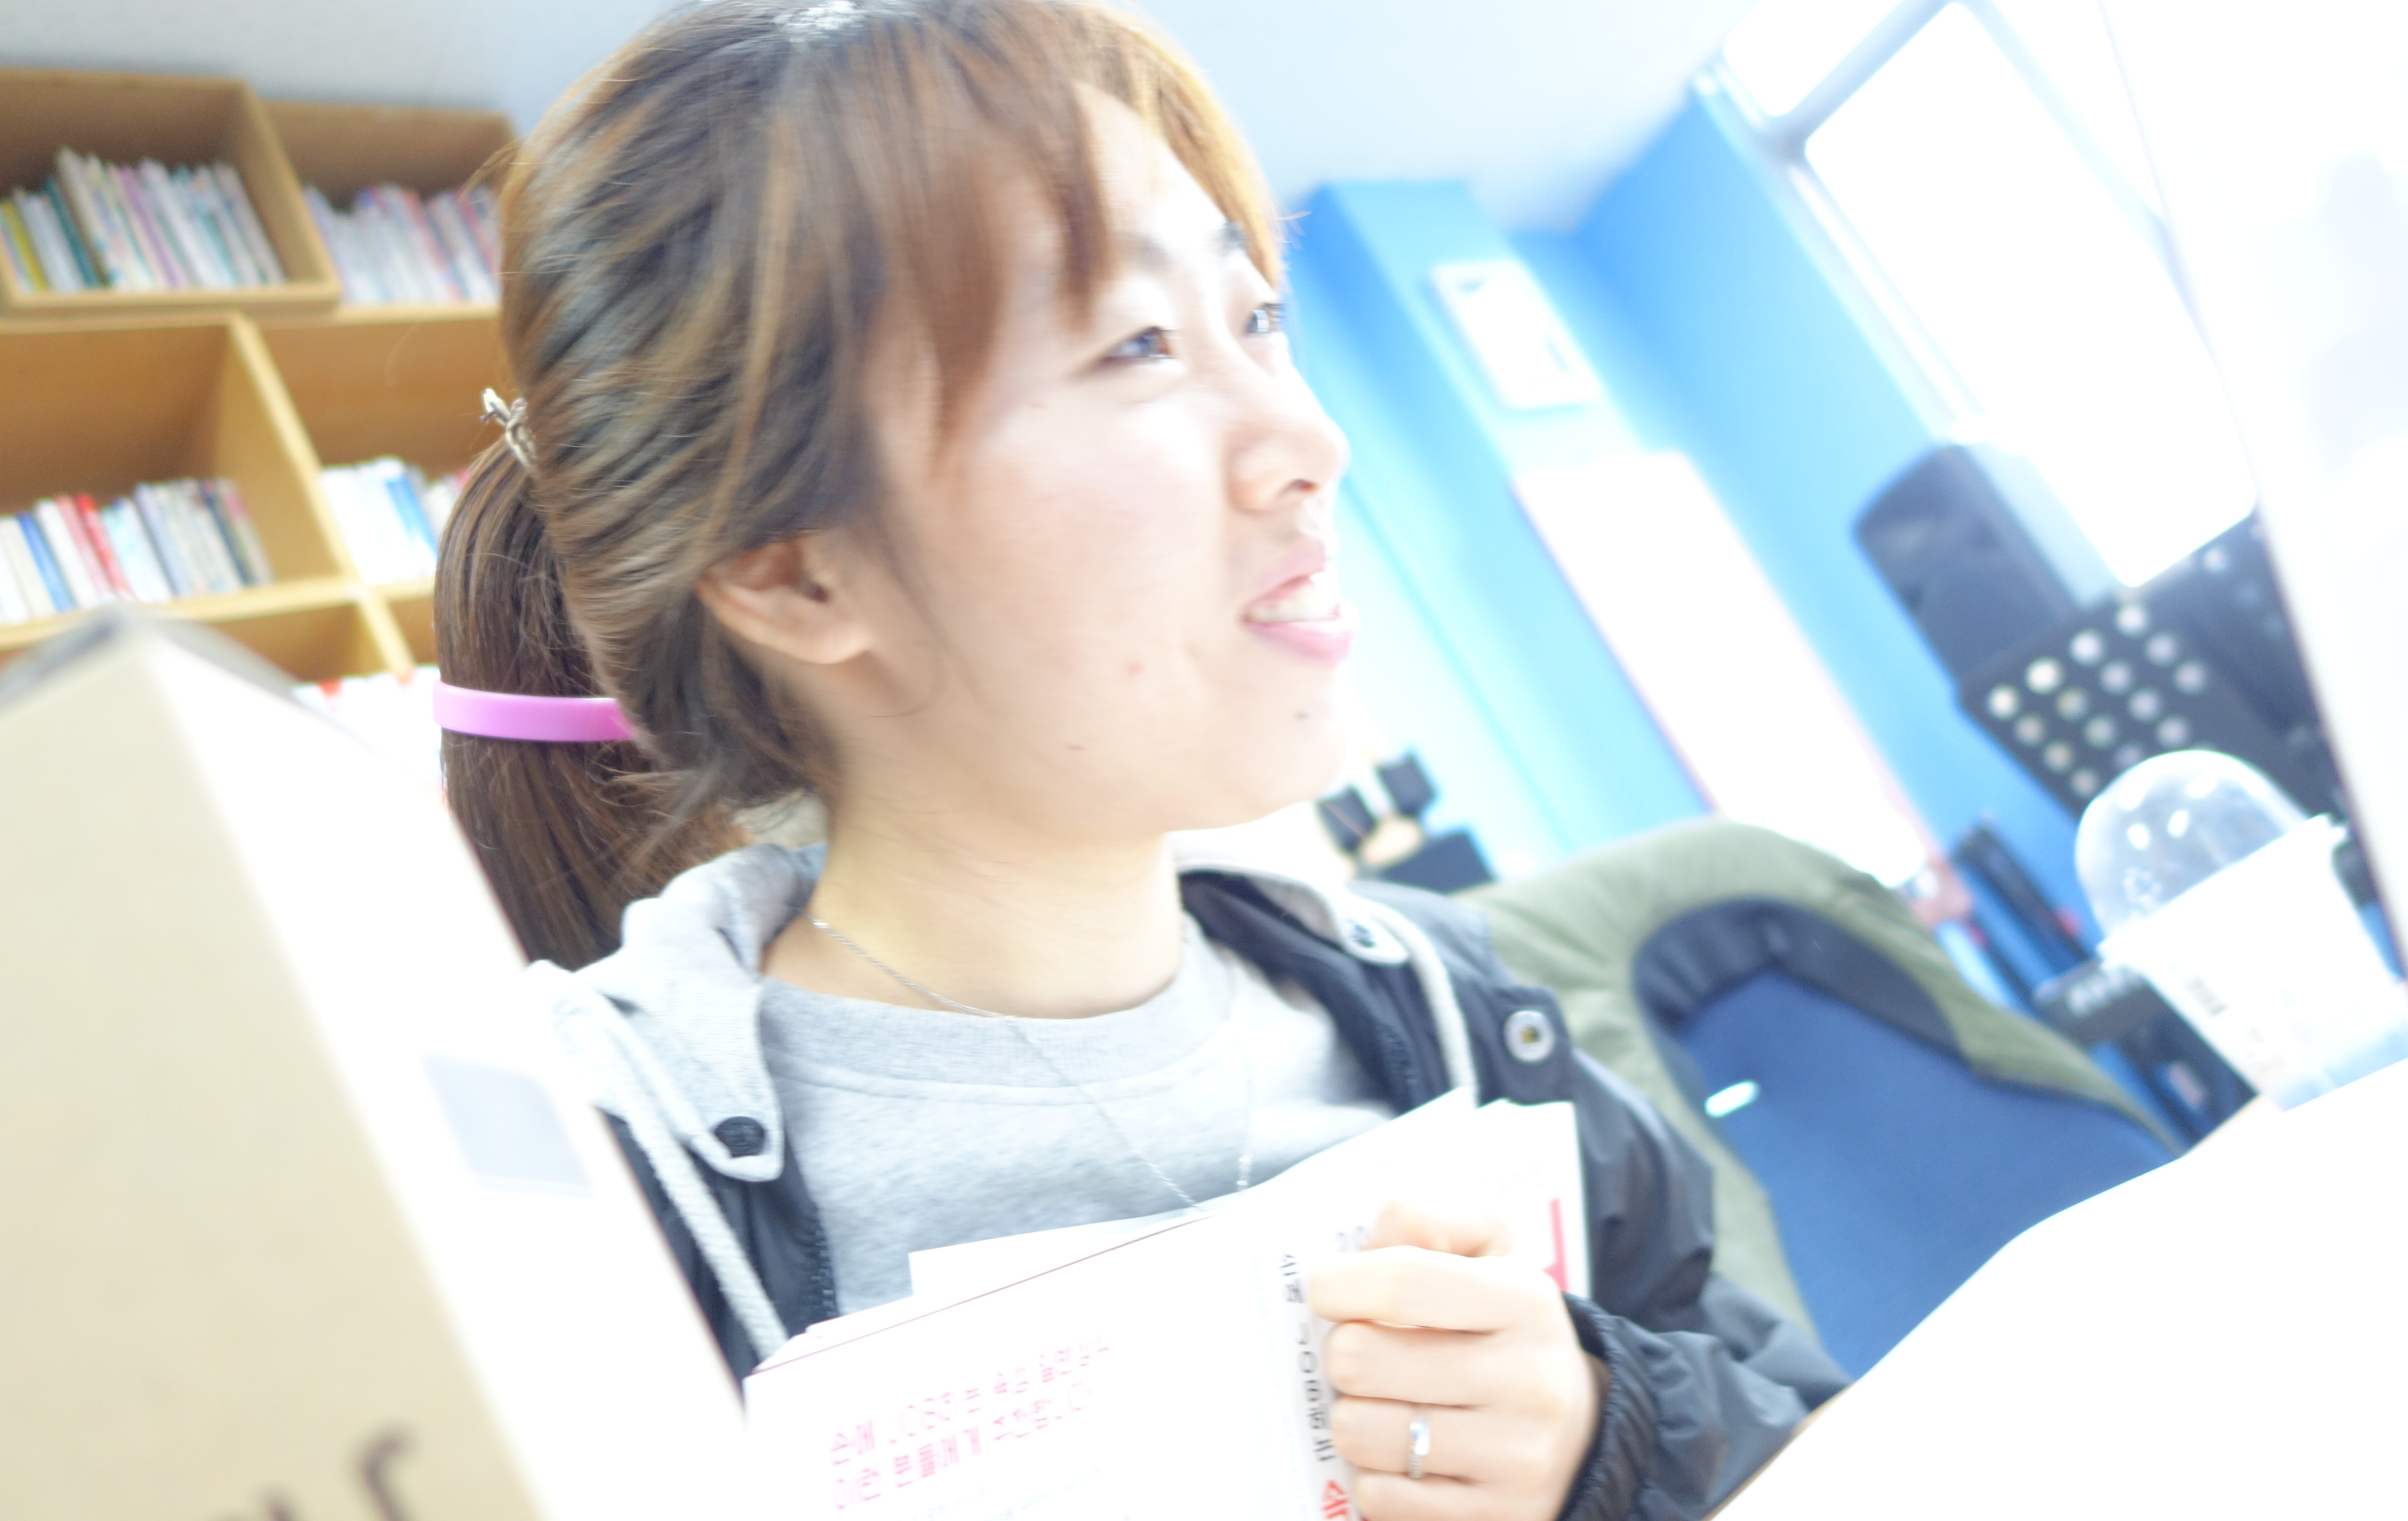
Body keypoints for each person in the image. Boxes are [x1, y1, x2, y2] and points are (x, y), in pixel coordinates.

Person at [432, 2, 1846, 1516]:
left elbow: (1818, 1431)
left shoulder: (1442, 1007)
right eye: (1139, 346)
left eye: (1258, 320)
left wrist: (1611, 1436)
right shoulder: (585, 1217)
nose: (1307, 443)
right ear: (795, 573)